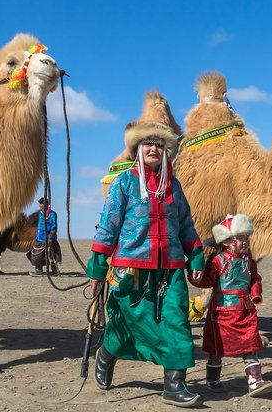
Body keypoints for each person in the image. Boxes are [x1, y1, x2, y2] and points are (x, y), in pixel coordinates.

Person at [87, 120, 205, 408]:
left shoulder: (174, 187)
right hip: (131, 270)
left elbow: (186, 225)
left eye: (159, 144)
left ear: (165, 152)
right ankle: (106, 355)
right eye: (147, 144)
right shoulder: (124, 183)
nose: (153, 148)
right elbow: (108, 226)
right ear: (137, 150)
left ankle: (174, 385)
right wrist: (98, 267)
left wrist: (196, 256)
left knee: (176, 323)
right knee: (123, 323)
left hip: (170, 270)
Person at [192, 213, 272, 397]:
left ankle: (255, 381)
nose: (245, 242)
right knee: (216, 349)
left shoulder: (248, 262)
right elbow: (207, 281)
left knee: (250, 344)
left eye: (246, 238)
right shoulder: (217, 261)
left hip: (244, 311)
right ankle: (212, 381)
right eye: (240, 238)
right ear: (227, 242)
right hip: (221, 314)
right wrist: (195, 278)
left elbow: (254, 279)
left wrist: (256, 294)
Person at [27, 197, 62, 277]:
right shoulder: (41, 214)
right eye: (39, 203)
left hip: (47, 238)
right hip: (40, 238)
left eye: (41, 203)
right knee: (37, 255)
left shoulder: (52, 214)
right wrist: (37, 238)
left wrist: (50, 239)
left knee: (50, 254)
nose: (40, 205)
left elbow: (53, 227)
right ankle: (39, 270)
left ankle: (52, 271)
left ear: (45, 204)